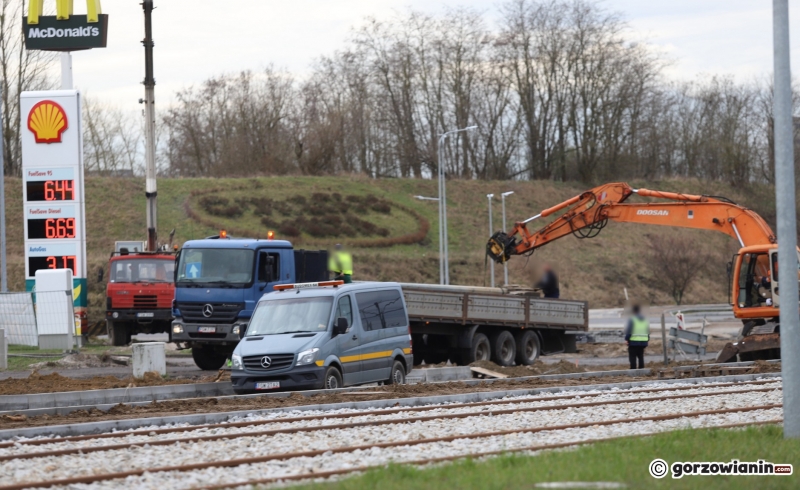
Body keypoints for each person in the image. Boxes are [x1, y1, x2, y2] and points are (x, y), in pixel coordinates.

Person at [624, 304, 649, 369]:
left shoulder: (632, 319)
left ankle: (633, 370)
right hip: (643, 341)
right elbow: (647, 330)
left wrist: (627, 339)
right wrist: (647, 339)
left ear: (633, 311)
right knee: (640, 356)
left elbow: (629, 330)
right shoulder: (644, 319)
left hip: (634, 341)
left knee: (632, 356)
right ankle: (641, 369)